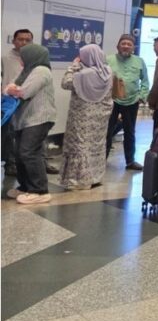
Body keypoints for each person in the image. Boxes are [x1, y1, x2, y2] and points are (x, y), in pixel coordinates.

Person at [5, 44, 56, 204]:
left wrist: (13, 89)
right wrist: (12, 89)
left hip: (39, 118)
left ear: (32, 56)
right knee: (19, 153)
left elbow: (24, 92)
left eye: (22, 56)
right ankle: (25, 187)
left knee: (29, 152)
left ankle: (39, 190)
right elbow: (8, 88)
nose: (20, 59)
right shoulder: (27, 70)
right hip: (24, 119)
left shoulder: (41, 70)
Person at [59, 45, 114, 190]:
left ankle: (79, 180)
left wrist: (73, 66)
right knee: (96, 145)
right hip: (100, 117)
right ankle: (96, 176)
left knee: (80, 145)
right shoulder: (108, 72)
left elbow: (65, 83)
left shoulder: (83, 75)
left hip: (81, 117)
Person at [107, 35, 149, 170]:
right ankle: (101, 160)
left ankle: (130, 161)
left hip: (132, 101)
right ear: (117, 46)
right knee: (107, 131)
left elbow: (145, 81)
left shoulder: (139, 61)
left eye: (129, 44)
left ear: (133, 48)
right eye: (123, 43)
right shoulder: (108, 60)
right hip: (112, 101)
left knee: (130, 132)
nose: (126, 46)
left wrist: (141, 96)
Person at [2, 29, 33, 174]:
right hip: (10, 103)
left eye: (28, 40)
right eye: (20, 39)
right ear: (14, 41)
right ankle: (10, 163)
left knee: (33, 132)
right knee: (9, 134)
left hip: (30, 101)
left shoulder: (35, 59)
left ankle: (40, 162)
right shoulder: (5, 58)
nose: (24, 42)